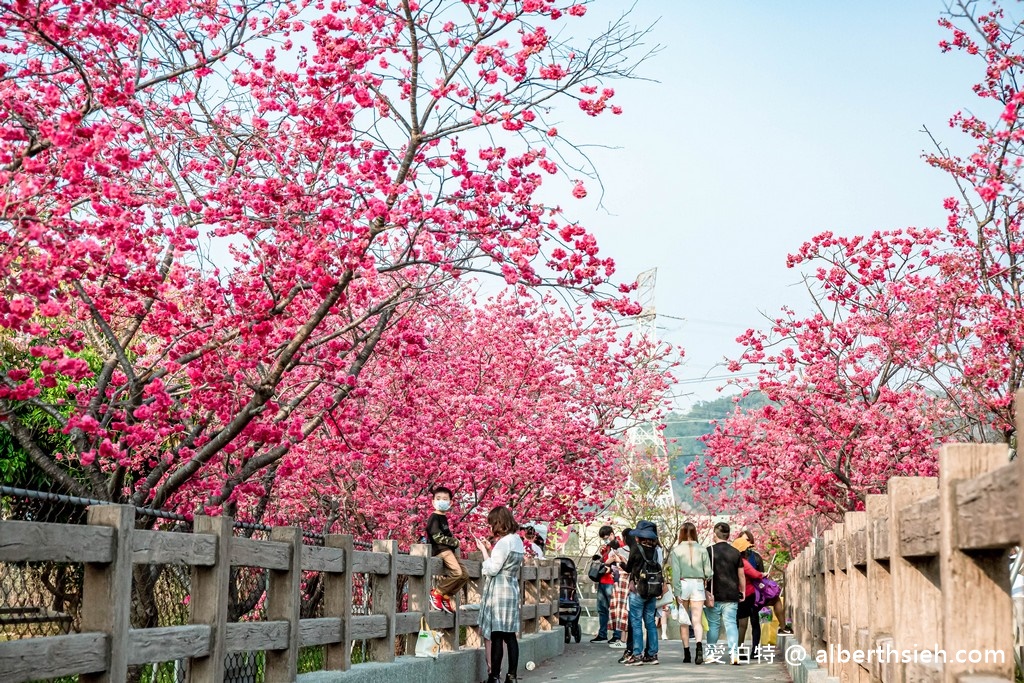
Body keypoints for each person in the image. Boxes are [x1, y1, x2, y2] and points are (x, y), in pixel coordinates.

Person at [476, 506, 525, 683]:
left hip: (499, 590)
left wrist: (483, 552)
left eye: (491, 523)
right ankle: (511, 676)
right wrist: (491, 550)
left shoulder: (503, 543)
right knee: (510, 635)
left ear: (498, 523)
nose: (490, 527)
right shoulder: (517, 540)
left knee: (497, 634)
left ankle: (494, 676)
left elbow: (493, 569)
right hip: (511, 587)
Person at [704, 521, 745, 665]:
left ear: (715, 534)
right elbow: (741, 575)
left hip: (713, 595)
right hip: (731, 595)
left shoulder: (709, 551)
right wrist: (743, 590)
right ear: (728, 535)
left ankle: (710, 654)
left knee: (713, 625)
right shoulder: (735, 552)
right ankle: (734, 654)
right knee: (731, 625)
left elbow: (704, 573)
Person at [670, 521, 711, 664]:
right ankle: (699, 649)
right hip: (698, 584)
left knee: (684, 621)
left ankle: (686, 653)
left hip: (683, 583)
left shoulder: (677, 550)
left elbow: (675, 573)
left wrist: (677, 591)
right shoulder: (702, 549)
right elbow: (709, 572)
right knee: (697, 620)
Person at [623, 520, 662, 666]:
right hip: (652, 590)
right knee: (650, 623)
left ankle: (637, 654)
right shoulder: (656, 550)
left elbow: (628, 568)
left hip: (638, 590)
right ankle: (652, 655)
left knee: (636, 622)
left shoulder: (636, 548)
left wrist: (620, 562)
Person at [425, 486, 469, 613]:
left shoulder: (443, 517)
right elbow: (436, 536)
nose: (441, 501)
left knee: (465, 575)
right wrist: (454, 542)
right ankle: (437, 592)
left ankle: (445, 596)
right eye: (438, 499)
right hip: (441, 550)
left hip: (449, 550)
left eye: (445, 499)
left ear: (450, 503)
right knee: (457, 573)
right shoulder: (434, 517)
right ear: (433, 501)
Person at [590, 525, 622, 644]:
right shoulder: (607, 547)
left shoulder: (619, 544)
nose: (605, 540)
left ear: (612, 534)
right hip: (603, 581)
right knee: (602, 609)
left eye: (607, 537)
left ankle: (617, 634)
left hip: (612, 581)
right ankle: (602, 633)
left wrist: (609, 562)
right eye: (603, 538)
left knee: (614, 609)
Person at [609, 528, 631, 656]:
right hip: (631, 581)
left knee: (623, 610)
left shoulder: (621, 551)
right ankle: (625, 639)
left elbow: (607, 562)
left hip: (622, 580)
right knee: (628, 610)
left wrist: (617, 560)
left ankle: (623, 639)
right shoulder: (634, 550)